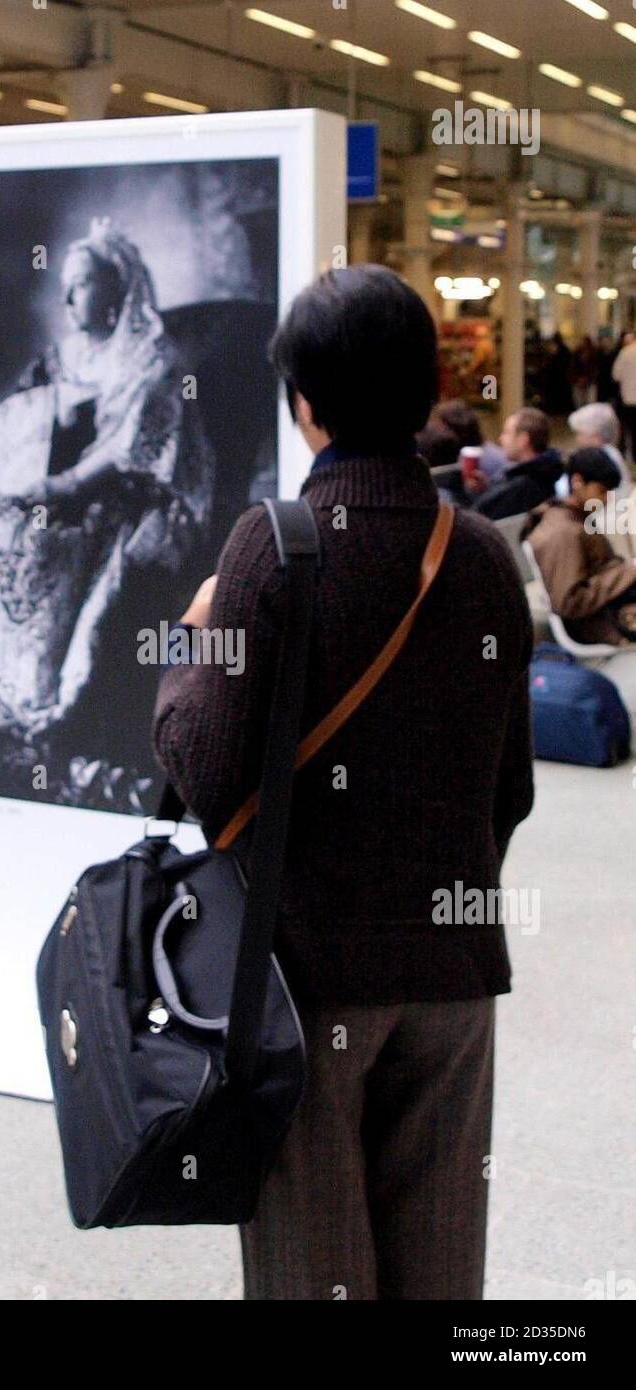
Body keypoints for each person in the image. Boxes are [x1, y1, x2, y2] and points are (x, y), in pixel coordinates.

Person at [153, 265, 534, 1301]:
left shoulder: (269, 549)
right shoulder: (486, 555)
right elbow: (509, 788)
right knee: (440, 1269)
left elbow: (200, 767)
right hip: (453, 977)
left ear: (303, 402)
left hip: (301, 981)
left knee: (310, 1272)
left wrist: (190, 644)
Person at [0, 218, 212, 752]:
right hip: (60, 486)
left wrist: (62, 487)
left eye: (81, 283)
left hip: (133, 496)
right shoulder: (65, 355)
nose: (67, 296)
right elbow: (17, 421)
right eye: (66, 284)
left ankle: (26, 695)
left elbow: (132, 451)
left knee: (42, 547)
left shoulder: (151, 360)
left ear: (117, 288)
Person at [522, 448, 636, 646]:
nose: (606, 499)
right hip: (605, 623)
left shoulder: (573, 517)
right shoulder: (562, 532)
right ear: (577, 482)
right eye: (601, 491)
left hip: (615, 608)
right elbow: (568, 602)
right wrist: (625, 574)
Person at [469, 407, 563, 520]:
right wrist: (487, 487)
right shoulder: (548, 473)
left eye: (507, 433)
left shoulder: (521, 488)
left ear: (523, 440)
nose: (501, 438)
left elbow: (478, 514)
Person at [568, 402, 627, 476]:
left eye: (580, 434)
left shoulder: (603, 460)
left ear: (596, 435)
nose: (577, 439)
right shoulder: (610, 453)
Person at [612, 332, 636, 463]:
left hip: (628, 399)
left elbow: (616, 375)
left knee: (626, 428)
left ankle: (624, 454)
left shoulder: (624, 353)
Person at [569, 334, 598, 409]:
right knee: (579, 403)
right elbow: (573, 368)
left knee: (589, 404)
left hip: (590, 382)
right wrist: (578, 379)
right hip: (578, 382)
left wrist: (587, 379)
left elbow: (595, 369)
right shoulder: (576, 355)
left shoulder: (594, 355)